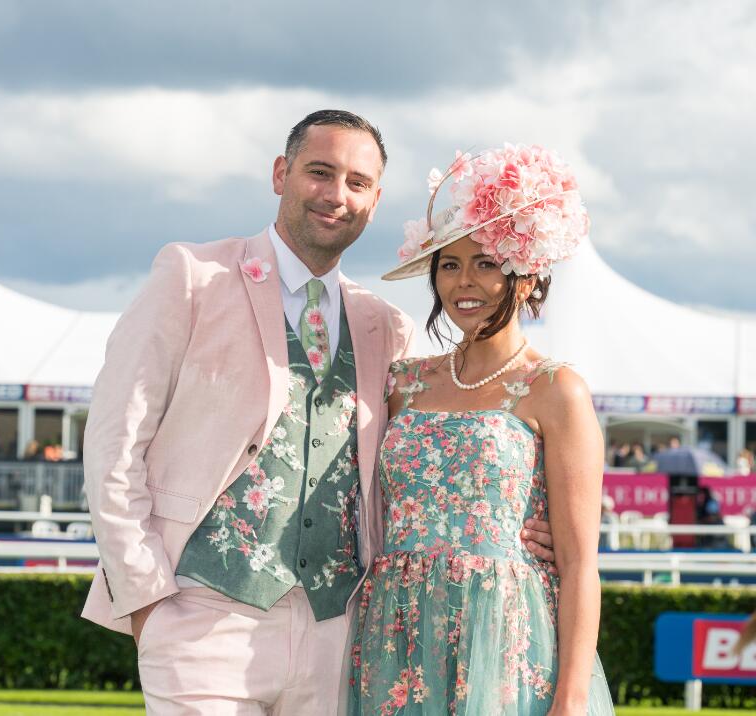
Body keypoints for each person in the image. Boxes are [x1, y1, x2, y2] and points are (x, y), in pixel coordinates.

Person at [81, 110, 555, 715]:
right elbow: (114, 444)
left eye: (357, 182)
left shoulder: (386, 326)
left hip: (341, 629)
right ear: (281, 173)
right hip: (201, 616)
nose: (337, 195)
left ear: (375, 200)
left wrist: (523, 523)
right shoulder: (192, 277)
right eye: (320, 172)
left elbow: (436, 443)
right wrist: (150, 604)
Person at [347, 146, 614, 714]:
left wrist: (570, 697)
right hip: (396, 630)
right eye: (450, 264)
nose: (463, 281)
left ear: (524, 275)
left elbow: (579, 564)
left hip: (505, 638)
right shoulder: (402, 382)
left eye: (486, 262)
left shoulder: (556, 389)